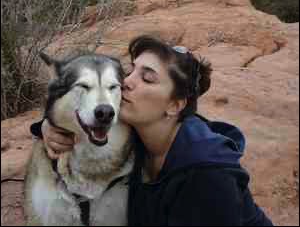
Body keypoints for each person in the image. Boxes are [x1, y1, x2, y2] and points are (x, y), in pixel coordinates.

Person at [31, 35, 273, 226]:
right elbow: (78, 110)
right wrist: (46, 126)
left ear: (174, 105)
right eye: (131, 70)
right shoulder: (140, 132)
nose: (126, 82)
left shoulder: (206, 175)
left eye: (147, 78)